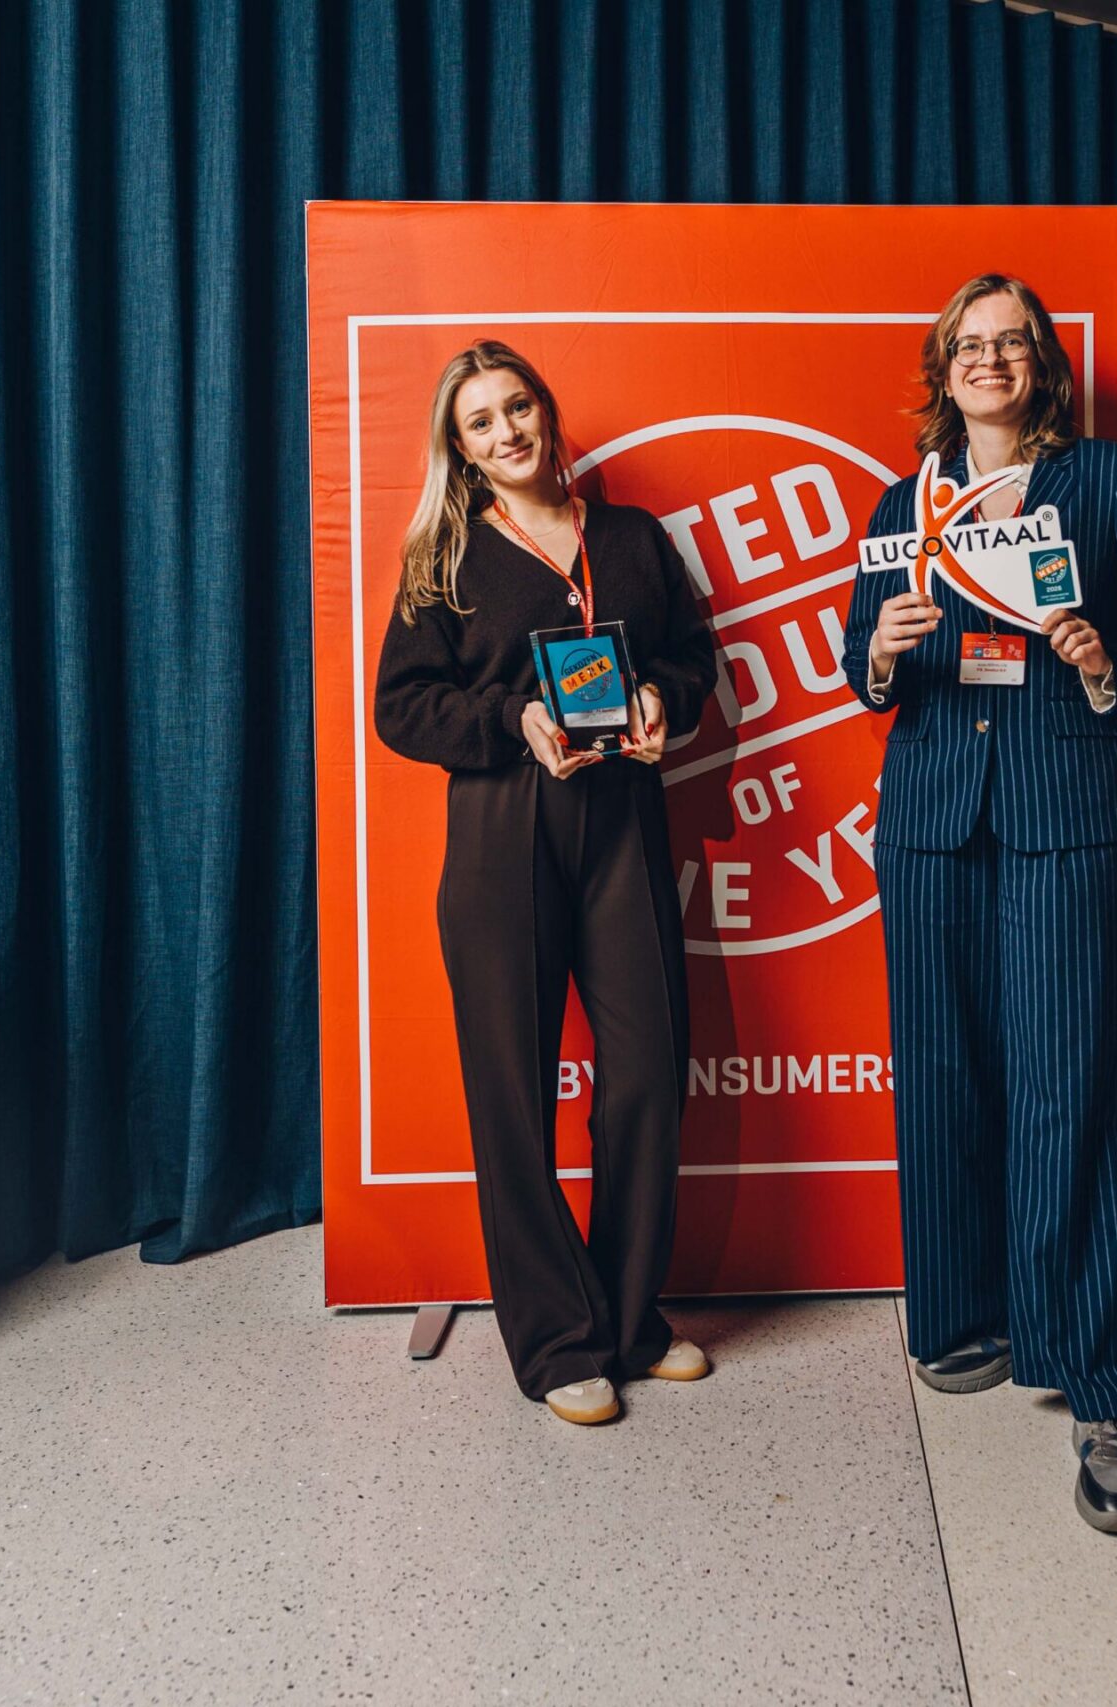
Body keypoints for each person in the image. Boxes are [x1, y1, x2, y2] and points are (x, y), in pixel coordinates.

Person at [843, 274, 1117, 1534]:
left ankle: (1104, 1390)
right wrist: (881, 653)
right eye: (967, 346)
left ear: (1041, 365)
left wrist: (1103, 658)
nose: (988, 361)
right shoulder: (904, 500)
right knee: (943, 1074)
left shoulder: (1098, 481)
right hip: (932, 816)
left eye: (1010, 343)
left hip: (1061, 809)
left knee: (1074, 1086)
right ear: (941, 370)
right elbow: (858, 666)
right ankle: (963, 1313)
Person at [374, 340, 720, 1426]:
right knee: (514, 1096)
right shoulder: (443, 554)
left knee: (648, 1070)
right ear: (462, 449)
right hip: (502, 828)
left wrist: (662, 700)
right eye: (480, 421)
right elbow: (400, 706)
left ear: (545, 411)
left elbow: (692, 656)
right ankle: (556, 1339)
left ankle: (629, 1320)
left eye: (516, 407)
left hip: (622, 815)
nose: (507, 431)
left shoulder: (631, 537)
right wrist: (510, 718)